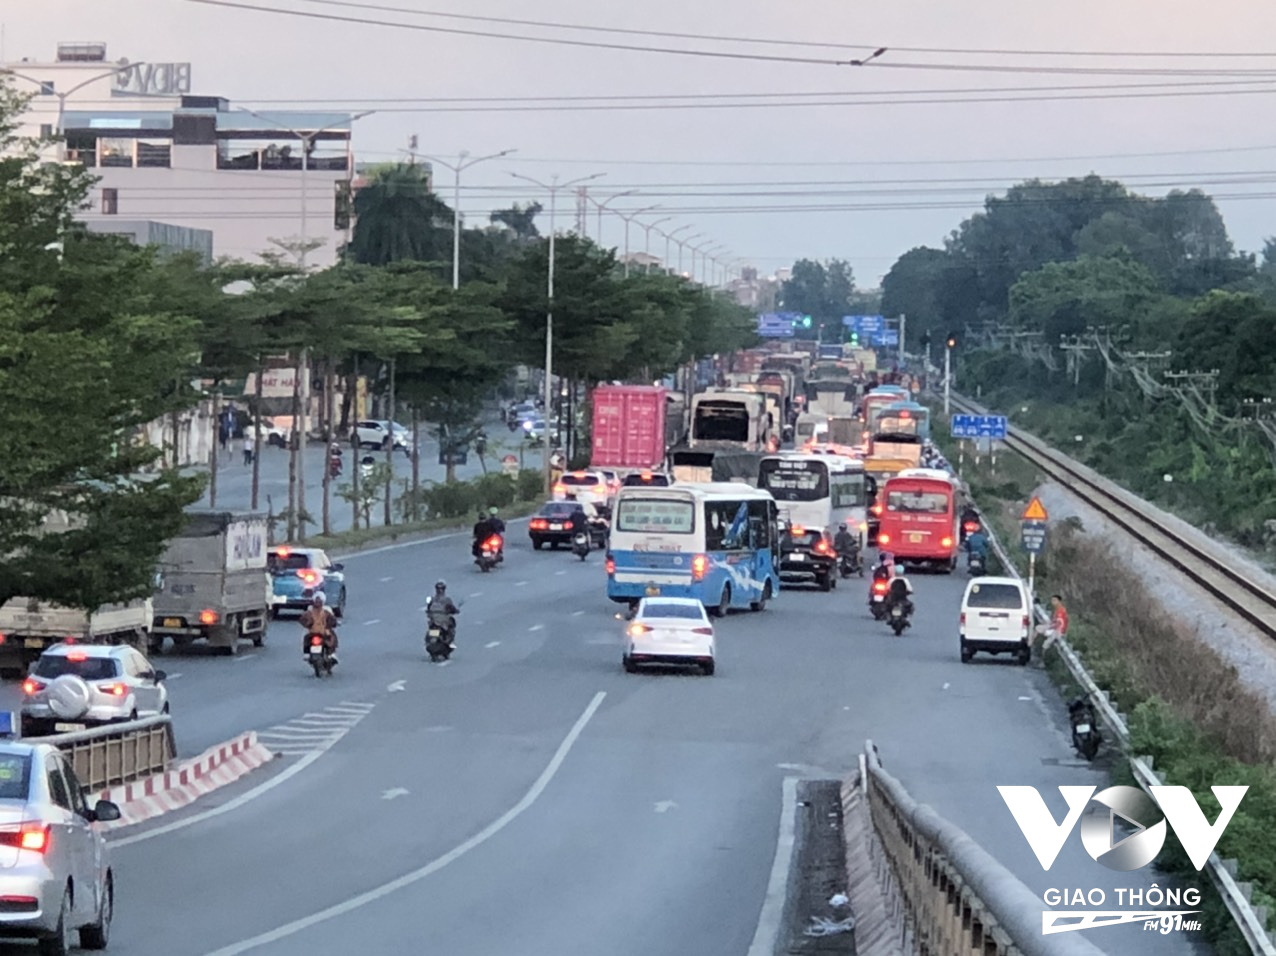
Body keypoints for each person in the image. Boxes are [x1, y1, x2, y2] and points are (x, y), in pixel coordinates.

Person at [298, 594, 338, 662]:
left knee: (331, 638)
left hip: (320, 632)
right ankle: (331, 654)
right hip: (317, 632)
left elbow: (332, 620)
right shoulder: (310, 612)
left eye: (319, 601)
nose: (317, 603)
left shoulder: (324, 611)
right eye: (317, 601)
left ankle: (330, 654)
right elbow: (303, 620)